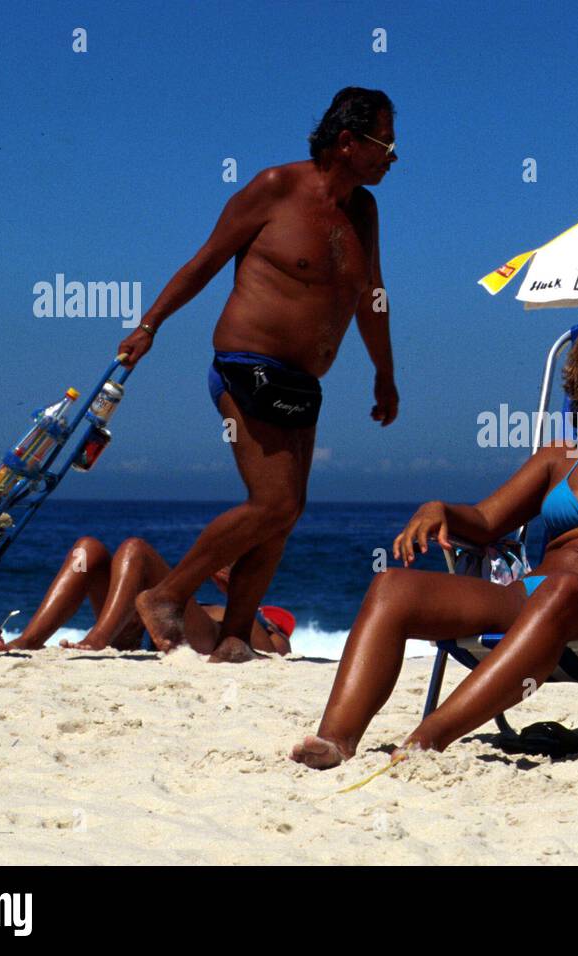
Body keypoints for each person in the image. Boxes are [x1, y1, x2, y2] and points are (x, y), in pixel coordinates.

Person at [290, 305, 578, 769]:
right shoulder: (562, 457)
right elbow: (488, 520)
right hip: (537, 599)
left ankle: (427, 741)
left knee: (562, 589)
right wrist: (441, 509)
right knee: (392, 586)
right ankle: (336, 741)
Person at [115, 87, 400, 655]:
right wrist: (149, 325)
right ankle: (167, 595)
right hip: (248, 365)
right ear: (347, 142)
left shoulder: (363, 211)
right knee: (273, 502)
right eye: (383, 144)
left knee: (284, 515)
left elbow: (372, 297)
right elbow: (204, 263)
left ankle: (234, 636)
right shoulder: (276, 189)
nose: (391, 157)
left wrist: (384, 374)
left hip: (304, 381)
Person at [0, 537, 294, 661]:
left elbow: (270, 658)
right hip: (133, 634)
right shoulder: (202, 604)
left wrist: (243, 596)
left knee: (136, 550)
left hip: (205, 640)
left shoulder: (262, 621)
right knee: (88, 550)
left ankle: (97, 639)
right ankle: (30, 639)